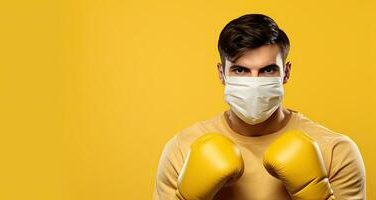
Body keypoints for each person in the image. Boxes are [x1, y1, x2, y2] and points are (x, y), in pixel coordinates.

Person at [153, 14, 366, 200]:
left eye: (267, 70)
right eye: (240, 70)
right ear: (221, 74)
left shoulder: (335, 151)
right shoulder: (182, 149)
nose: (254, 82)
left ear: (286, 73)